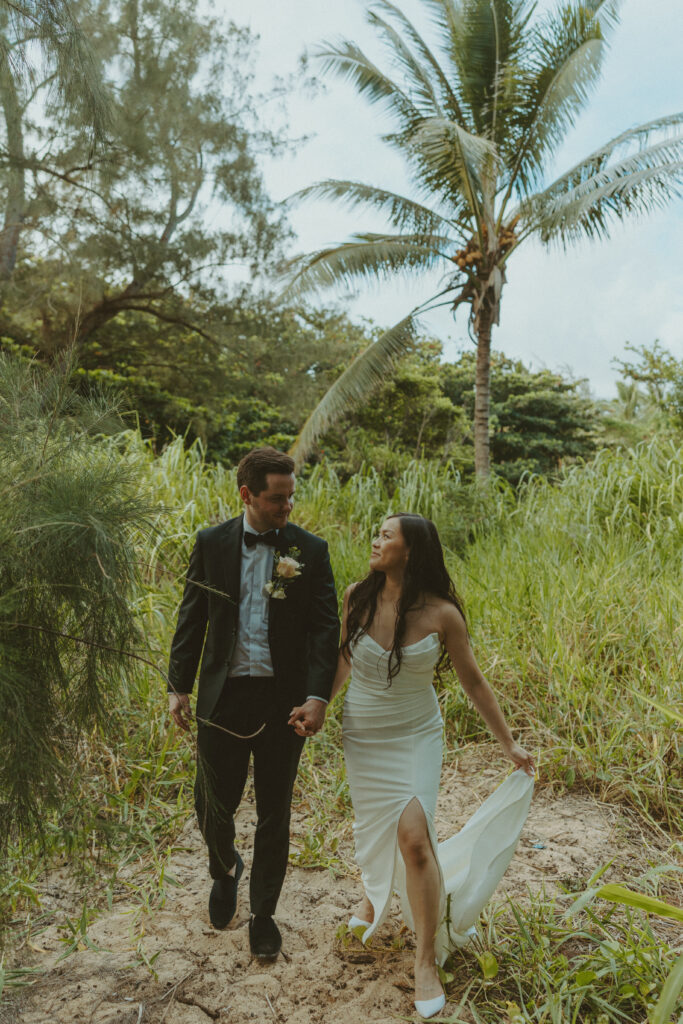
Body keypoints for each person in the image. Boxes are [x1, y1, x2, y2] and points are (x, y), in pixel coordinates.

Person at [290, 513, 534, 1018]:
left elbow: (474, 683)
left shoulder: (443, 614)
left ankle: (424, 960)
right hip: (365, 734)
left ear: (411, 552)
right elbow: (343, 661)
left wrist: (508, 743)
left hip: (417, 735)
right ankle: (373, 896)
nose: (375, 541)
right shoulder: (358, 594)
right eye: (376, 532)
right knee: (378, 828)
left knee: (415, 838)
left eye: (386, 536)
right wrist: (320, 704)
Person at [168, 446, 339, 960]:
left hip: (282, 702)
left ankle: (263, 914)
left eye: (291, 497)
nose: (287, 507)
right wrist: (178, 685)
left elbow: (324, 628)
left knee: (274, 811)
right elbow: (191, 616)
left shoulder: (310, 549)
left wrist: (316, 696)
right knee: (211, 805)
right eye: (276, 499)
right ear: (247, 494)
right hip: (222, 697)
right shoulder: (211, 542)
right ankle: (224, 869)